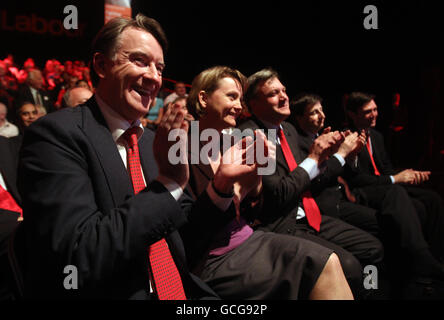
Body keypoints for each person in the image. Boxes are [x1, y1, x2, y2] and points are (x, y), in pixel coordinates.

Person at [16, 14, 218, 300]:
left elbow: (188, 235)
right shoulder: (54, 136)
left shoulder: (152, 142)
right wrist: (168, 185)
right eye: (139, 60)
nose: (154, 77)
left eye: (159, 67)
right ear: (101, 65)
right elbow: (78, 255)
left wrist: (221, 189)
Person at [182, 65, 354, 300]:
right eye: (231, 97)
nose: (238, 106)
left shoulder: (231, 142)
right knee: (328, 264)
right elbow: (191, 230)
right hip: (213, 257)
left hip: (250, 235)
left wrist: (256, 185)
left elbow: (256, 207)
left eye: (240, 99)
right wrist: (237, 189)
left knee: (330, 262)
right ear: (203, 98)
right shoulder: (181, 146)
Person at [238, 68, 384, 298]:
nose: (284, 96)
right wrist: (315, 158)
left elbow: (304, 180)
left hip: (308, 213)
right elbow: (278, 195)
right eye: (273, 93)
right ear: (253, 104)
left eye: (283, 90)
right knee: (351, 266)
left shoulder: (288, 130)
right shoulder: (249, 135)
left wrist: (328, 155)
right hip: (279, 223)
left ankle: (370, 293)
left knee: (373, 249)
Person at [344, 92, 444, 295]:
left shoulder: (377, 136)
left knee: (432, 199)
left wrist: (409, 175)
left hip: (386, 186)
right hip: (364, 191)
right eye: (367, 112)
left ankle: (435, 257)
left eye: (375, 110)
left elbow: (387, 170)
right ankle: (420, 257)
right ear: (353, 115)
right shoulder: (347, 137)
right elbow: (357, 179)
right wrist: (395, 179)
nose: (374, 115)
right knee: (400, 194)